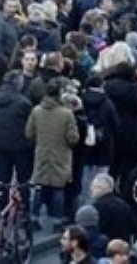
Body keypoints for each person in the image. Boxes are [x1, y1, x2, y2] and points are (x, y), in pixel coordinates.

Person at [26, 78, 79, 230]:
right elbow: (73, 138)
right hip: (61, 156)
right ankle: (56, 221)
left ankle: (34, 219)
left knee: (39, 188)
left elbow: (29, 133)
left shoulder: (36, 111)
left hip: (42, 154)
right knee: (58, 189)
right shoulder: (66, 114)